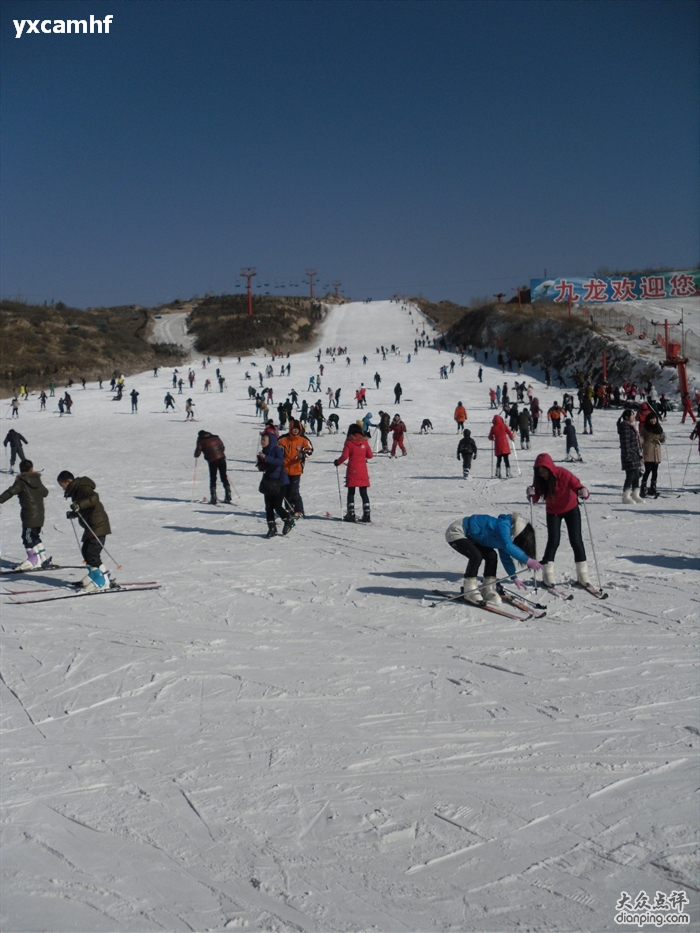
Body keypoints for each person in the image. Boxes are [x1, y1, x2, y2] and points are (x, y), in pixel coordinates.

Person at [445, 512, 541, 605]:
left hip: (470, 537)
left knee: (492, 556)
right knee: (476, 556)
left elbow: (506, 558)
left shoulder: (509, 534)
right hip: (457, 532)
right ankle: (469, 590)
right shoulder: (503, 526)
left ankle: (488, 589)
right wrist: (527, 560)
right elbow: (507, 545)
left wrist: (514, 577)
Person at [526, 452, 590, 588]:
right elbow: (535, 498)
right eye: (540, 472)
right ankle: (547, 573)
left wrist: (583, 491)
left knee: (576, 540)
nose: (543, 474)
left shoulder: (563, 474)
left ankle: (582, 574)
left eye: (544, 471)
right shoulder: (539, 480)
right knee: (554, 540)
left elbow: (577, 485)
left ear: (550, 468)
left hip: (571, 508)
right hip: (553, 512)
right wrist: (531, 494)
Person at [57, 470, 113, 592]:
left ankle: (102, 580)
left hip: (98, 524)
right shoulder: (77, 490)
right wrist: (74, 513)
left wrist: (79, 505)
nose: (63, 489)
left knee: (92, 552)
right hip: (92, 525)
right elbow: (85, 507)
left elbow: (94, 498)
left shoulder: (82, 488)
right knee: (86, 551)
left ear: (68, 481)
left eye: (63, 485)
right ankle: (96, 576)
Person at [0, 460, 50, 571]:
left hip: (29, 515)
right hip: (40, 514)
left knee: (27, 537)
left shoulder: (21, 481)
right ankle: (42, 558)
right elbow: (45, 492)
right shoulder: (37, 480)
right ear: (31, 469)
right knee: (34, 536)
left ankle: (33, 560)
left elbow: (11, 492)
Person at [256, 432, 294, 537]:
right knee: (268, 507)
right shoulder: (264, 451)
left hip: (280, 483)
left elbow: (280, 462)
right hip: (269, 482)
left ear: (271, 441)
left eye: (264, 439)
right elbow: (266, 467)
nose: (262, 442)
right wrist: (261, 464)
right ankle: (272, 528)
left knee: (277, 506)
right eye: (262, 439)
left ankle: (288, 520)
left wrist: (266, 458)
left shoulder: (277, 450)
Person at [334, 424, 373, 522]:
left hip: (352, 469)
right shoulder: (364, 441)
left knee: (351, 492)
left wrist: (337, 462)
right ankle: (367, 513)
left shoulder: (349, 442)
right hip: (363, 470)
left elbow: (344, 456)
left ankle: (351, 513)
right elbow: (370, 455)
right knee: (363, 492)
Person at [278, 420, 313, 518]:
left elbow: (310, 450)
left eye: (297, 429)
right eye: (293, 429)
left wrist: (303, 454)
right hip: (284, 469)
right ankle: (289, 508)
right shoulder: (283, 439)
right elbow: (275, 449)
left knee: (294, 491)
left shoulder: (303, 440)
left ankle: (299, 510)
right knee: (284, 491)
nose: (295, 431)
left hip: (296, 469)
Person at [195, 431, 232, 504]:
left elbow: (198, 452)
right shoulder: (216, 437)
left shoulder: (201, 440)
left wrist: (196, 455)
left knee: (213, 478)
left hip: (212, 460)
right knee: (224, 476)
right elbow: (222, 447)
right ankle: (228, 495)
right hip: (221, 458)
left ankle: (213, 497)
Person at [617, 408, 644, 503]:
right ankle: (626, 495)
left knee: (636, 474)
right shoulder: (625, 427)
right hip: (629, 455)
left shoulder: (630, 426)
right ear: (626, 417)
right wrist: (628, 455)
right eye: (632, 415)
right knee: (630, 475)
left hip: (635, 454)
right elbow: (625, 443)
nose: (634, 417)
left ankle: (636, 494)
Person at [639, 412, 665, 498]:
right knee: (648, 469)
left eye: (654, 419)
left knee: (655, 470)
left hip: (656, 451)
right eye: (651, 419)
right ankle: (643, 486)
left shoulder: (658, 428)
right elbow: (641, 438)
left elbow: (662, 439)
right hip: (648, 450)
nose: (653, 420)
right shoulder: (645, 428)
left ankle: (653, 487)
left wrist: (663, 437)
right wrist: (640, 444)